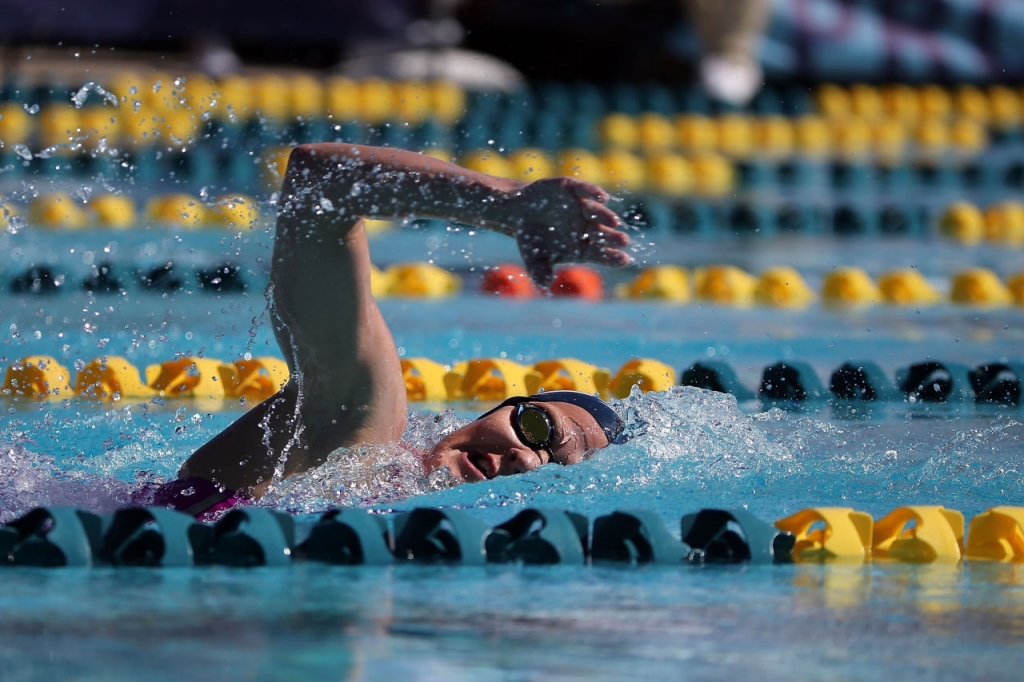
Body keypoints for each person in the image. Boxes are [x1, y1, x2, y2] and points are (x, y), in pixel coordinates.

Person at [158, 143, 633, 515]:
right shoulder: (361, 431)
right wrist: (504, 206)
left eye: (555, 471)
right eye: (537, 427)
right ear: (500, 408)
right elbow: (320, 178)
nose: (528, 461)